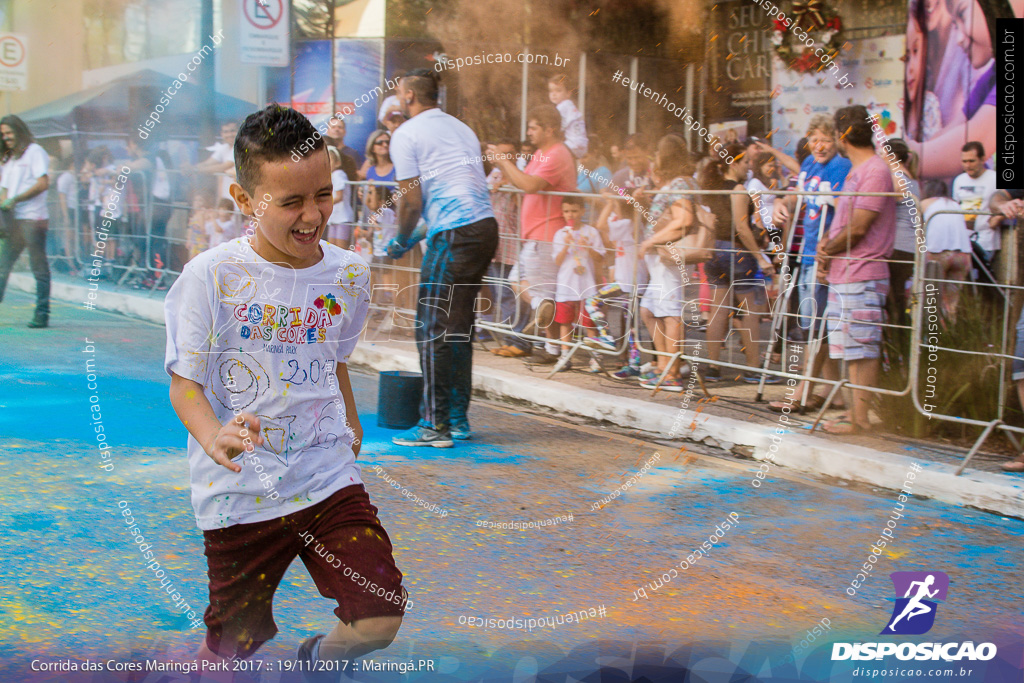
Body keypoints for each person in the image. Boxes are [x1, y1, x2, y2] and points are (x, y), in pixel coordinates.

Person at [164, 104, 405, 670]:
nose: (312, 215)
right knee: (234, 646)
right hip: (241, 496)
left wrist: (350, 421)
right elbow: (184, 385)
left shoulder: (349, 274)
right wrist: (212, 436)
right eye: (290, 202)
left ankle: (316, 661)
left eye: (322, 194)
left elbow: (332, 358)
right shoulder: (211, 275)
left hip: (326, 477)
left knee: (380, 615)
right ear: (244, 200)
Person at [385, 68, 498, 445]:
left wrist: (399, 238)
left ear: (409, 97)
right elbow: (449, 199)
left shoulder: (405, 134)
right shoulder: (461, 129)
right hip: (483, 229)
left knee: (431, 325)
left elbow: (412, 203)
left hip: (455, 234)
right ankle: (457, 419)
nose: (399, 100)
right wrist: (409, 239)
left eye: (400, 94)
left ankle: (434, 425)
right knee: (459, 326)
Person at [816, 105, 897, 434]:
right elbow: (844, 223)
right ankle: (854, 413)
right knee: (850, 348)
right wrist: (827, 249)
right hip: (845, 273)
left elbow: (861, 227)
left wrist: (827, 249)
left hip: (864, 272)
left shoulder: (875, 170)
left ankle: (860, 418)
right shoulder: (855, 170)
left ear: (842, 135)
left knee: (862, 348)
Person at [488, 104, 578, 364]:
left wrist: (504, 161)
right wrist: (504, 169)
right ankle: (552, 349)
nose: (528, 132)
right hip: (538, 234)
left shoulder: (557, 154)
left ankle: (552, 341)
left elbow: (530, 185)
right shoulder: (542, 152)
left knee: (528, 285)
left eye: (533, 127)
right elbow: (521, 181)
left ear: (550, 129)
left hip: (548, 234)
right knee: (532, 286)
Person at [700, 142, 780, 383]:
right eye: (745, 163)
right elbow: (742, 228)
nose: (748, 168)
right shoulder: (737, 189)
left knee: (718, 311)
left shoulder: (712, 187)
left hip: (715, 251)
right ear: (733, 163)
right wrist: (760, 257)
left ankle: (713, 368)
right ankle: (753, 369)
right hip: (737, 252)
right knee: (750, 313)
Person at [773, 115, 852, 340]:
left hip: (825, 253)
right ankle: (810, 372)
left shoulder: (840, 165)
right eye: (814, 140)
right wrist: (780, 202)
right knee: (808, 324)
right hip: (807, 251)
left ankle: (813, 373)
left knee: (818, 327)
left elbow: (841, 209)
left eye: (825, 140)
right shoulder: (809, 163)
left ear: (836, 140)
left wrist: (827, 250)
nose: (819, 146)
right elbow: (798, 196)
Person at [634, 134, 703, 390]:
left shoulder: (681, 184)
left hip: (669, 259)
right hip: (661, 261)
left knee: (670, 312)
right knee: (649, 310)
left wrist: (651, 241)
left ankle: (672, 372)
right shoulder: (679, 183)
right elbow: (668, 216)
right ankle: (664, 366)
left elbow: (683, 220)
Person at [0, 115, 51, 328]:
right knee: (2, 266)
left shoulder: (35, 152)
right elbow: (4, 191)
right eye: (3, 135)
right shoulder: (10, 159)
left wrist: (16, 199)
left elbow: (43, 183)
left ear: (19, 131)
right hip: (14, 220)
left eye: (9, 133)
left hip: (33, 218)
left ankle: (42, 313)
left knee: (38, 267)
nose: (6, 138)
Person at [551, 196, 606, 366]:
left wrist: (588, 247)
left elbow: (599, 257)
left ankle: (595, 356)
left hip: (586, 284)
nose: (571, 215)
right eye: (567, 211)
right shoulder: (560, 234)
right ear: (562, 213)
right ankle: (565, 355)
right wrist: (567, 245)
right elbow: (558, 261)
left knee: (590, 321)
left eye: (574, 211)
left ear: (582, 211)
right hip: (567, 283)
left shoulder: (591, 232)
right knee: (565, 321)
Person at [921, 179, 972, 318]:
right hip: (962, 254)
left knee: (931, 299)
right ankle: (949, 334)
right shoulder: (955, 205)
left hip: (937, 252)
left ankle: (930, 334)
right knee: (951, 303)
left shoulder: (925, 203)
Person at [884, 139, 921, 326]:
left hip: (898, 244)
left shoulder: (897, 177)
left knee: (893, 302)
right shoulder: (912, 179)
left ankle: (900, 346)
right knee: (899, 300)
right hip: (909, 246)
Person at [951, 141, 998, 269]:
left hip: (986, 239)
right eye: (964, 161)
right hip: (962, 240)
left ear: (982, 159)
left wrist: (999, 218)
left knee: (980, 276)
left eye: (972, 161)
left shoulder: (994, 178)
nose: (967, 165)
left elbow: (1009, 200)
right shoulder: (959, 180)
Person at [905, 0, 943, 141]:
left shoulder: (929, 102)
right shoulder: (903, 107)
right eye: (907, 56)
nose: (910, 68)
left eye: (916, 51)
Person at [193, 121, 238, 200]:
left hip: (239, 196)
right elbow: (208, 163)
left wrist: (199, 170)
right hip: (227, 196)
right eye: (226, 132)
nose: (229, 135)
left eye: (232, 131)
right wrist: (193, 168)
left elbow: (225, 166)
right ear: (222, 134)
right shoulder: (224, 148)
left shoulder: (240, 148)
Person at [548, 74, 588, 159]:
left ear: (568, 94)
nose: (554, 94)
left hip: (571, 145)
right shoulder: (570, 105)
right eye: (551, 91)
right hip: (580, 144)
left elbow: (558, 127)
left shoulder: (562, 107)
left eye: (558, 91)